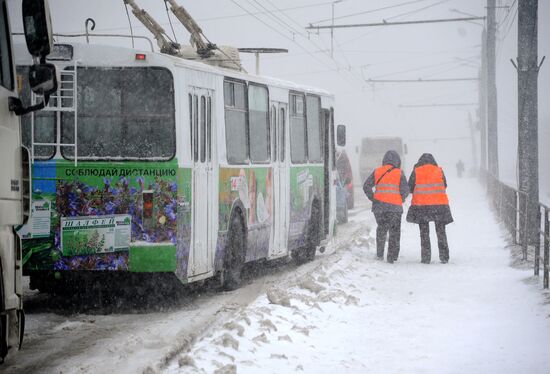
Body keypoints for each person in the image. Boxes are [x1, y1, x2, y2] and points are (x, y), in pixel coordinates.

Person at [363, 150, 409, 263]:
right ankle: (392, 256)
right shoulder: (399, 173)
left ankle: (379, 254)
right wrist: (401, 198)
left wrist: (373, 197)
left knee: (381, 229)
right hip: (395, 208)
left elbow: (366, 186)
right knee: (394, 231)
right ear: (398, 161)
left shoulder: (377, 171)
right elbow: (405, 190)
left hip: (379, 207)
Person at [407, 153, 453, 264]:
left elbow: (410, 188)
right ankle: (444, 256)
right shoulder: (439, 170)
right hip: (439, 206)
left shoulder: (416, 171)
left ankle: (426, 257)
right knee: (441, 231)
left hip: (422, 206)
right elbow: (445, 185)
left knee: (424, 232)